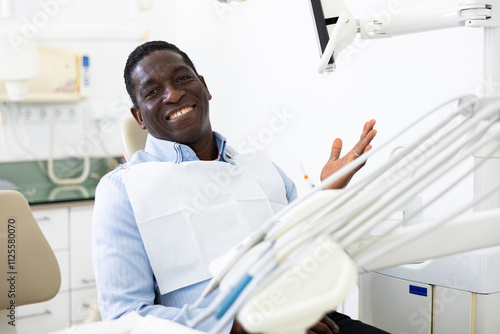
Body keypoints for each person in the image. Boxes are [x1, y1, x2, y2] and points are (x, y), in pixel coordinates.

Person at [92, 40, 385, 334]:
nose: (174, 94)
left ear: (204, 87)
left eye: (182, 78)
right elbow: (125, 317)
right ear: (139, 116)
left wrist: (326, 194)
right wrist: (238, 326)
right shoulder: (122, 190)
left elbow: (305, 254)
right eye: (153, 92)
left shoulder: (262, 170)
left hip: (306, 319)